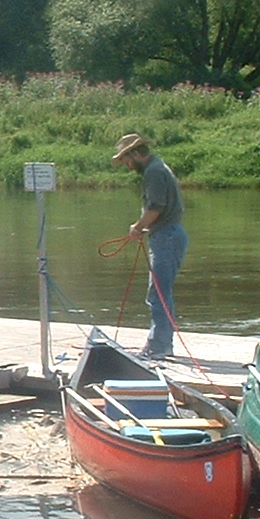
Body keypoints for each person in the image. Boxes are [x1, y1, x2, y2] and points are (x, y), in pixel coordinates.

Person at [113, 133, 187, 360]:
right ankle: (164, 345)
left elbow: (155, 208)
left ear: (135, 153)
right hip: (169, 235)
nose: (126, 165)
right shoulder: (157, 167)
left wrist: (137, 227)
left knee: (158, 294)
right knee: (161, 293)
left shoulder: (153, 172)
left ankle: (158, 347)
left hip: (166, 237)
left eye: (126, 160)